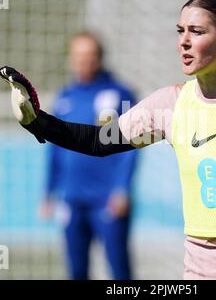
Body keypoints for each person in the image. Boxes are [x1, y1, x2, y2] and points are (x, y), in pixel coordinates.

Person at [0, 0, 216, 280]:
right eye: (180, 30)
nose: (183, 40)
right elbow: (98, 142)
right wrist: (37, 122)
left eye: (196, 31)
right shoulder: (172, 102)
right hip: (198, 272)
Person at [38, 32, 137, 280]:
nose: (83, 61)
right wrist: (48, 192)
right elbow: (55, 148)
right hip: (72, 198)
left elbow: (132, 147)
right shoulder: (65, 96)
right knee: (77, 270)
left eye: (89, 55)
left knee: (119, 269)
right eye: (78, 56)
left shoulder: (120, 94)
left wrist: (122, 189)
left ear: (100, 58)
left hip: (107, 198)